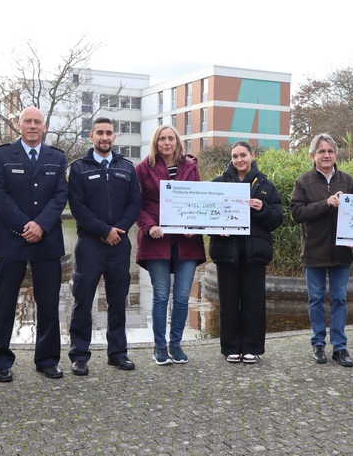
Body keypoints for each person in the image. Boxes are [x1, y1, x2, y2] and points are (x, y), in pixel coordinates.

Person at [0, 106, 68, 381]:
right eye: (27, 121)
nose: (32, 126)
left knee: (48, 302)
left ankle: (47, 359)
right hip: (12, 240)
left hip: (47, 240)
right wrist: (25, 226)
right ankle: (0, 359)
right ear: (18, 125)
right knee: (4, 302)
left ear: (44, 127)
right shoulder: (0, 155)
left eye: (37, 122)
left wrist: (41, 225)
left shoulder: (57, 157)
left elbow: (60, 196)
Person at [67, 118, 141, 375]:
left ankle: (118, 353)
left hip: (119, 244)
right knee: (83, 299)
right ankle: (79, 355)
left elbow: (135, 204)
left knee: (118, 300)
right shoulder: (79, 169)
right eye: (100, 133)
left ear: (114, 137)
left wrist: (117, 230)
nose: (104, 137)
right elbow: (77, 207)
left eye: (109, 133)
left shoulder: (127, 168)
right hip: (89, 244)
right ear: (91, 136)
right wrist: (103, 230)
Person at [135, 125, 206, 365]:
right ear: (156, 142)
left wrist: (193, 225)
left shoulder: (191, 166)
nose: (167, 143)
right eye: (162, 139)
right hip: (156, 240)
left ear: (177, 142)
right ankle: (159, 347)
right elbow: (138, 205)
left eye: (171, 139)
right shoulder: (143, 168)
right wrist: (149, 227)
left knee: (183, 296)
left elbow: (198, 200)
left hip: (187, 242)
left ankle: (176, 345)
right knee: (161, 295)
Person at [210, 142, 283, 364]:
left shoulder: (266, 185)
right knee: (228, 302)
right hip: (226, 252)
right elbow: (208, 214)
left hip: (255, 253)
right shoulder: (219, 183)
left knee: (254, 301)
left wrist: (263, 209)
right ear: (231, 159)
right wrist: (217, 228)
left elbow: (277, 219)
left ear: (252, 155)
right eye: (234, 156)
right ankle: (231, 347)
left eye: (243, 155)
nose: (239, 160)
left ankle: (252, 347)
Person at [290, 133, 353, 367]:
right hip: (314, 251)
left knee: (339, 299)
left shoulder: (348, 181)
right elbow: (297, 213)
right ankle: (318, 344)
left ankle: (340, 347)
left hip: (341, 253)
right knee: (316, 299)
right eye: (321, 151)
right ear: (313, 156)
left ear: (336, 154)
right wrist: (325, 203)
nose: (326, 155)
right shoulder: (303, 182)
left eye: (330, 151)